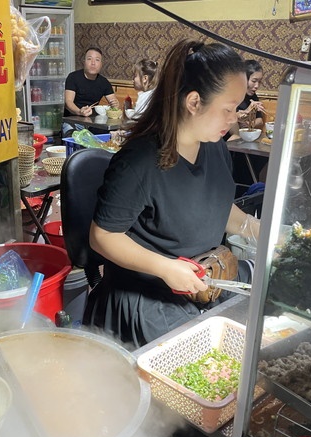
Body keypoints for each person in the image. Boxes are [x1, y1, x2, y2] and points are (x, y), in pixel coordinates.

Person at [84, 39, 261, 349]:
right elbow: (102, 236)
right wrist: (165, 268)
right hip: (146, 299)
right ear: (194, 102)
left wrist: (255, 229)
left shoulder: (215, 147)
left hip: (203, 284)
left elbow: (216, 205)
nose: (234, 118)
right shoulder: (140, 161)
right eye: (228, 109)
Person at [62, 47, 119, 138]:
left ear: (101, 64)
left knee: (111, 135)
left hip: (93, 123)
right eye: (89, 59)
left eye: (97, 60)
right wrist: (79, 112)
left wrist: (115, 104)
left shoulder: (104, 82)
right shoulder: (73, 77)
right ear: (84, 62)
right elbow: (68, 102)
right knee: (73, 136)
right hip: (73, 121)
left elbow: (114, 102)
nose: (93, 63)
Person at [225, 59, 266, 140]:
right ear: (243, 79)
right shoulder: (230, 94)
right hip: (226, 137)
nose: (257, 86)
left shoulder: (253, 96)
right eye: (254, 81)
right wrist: (247, 111)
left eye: (259, 82)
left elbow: (260, 120)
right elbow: (228, 118)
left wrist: (248, 124)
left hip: (242, 137)